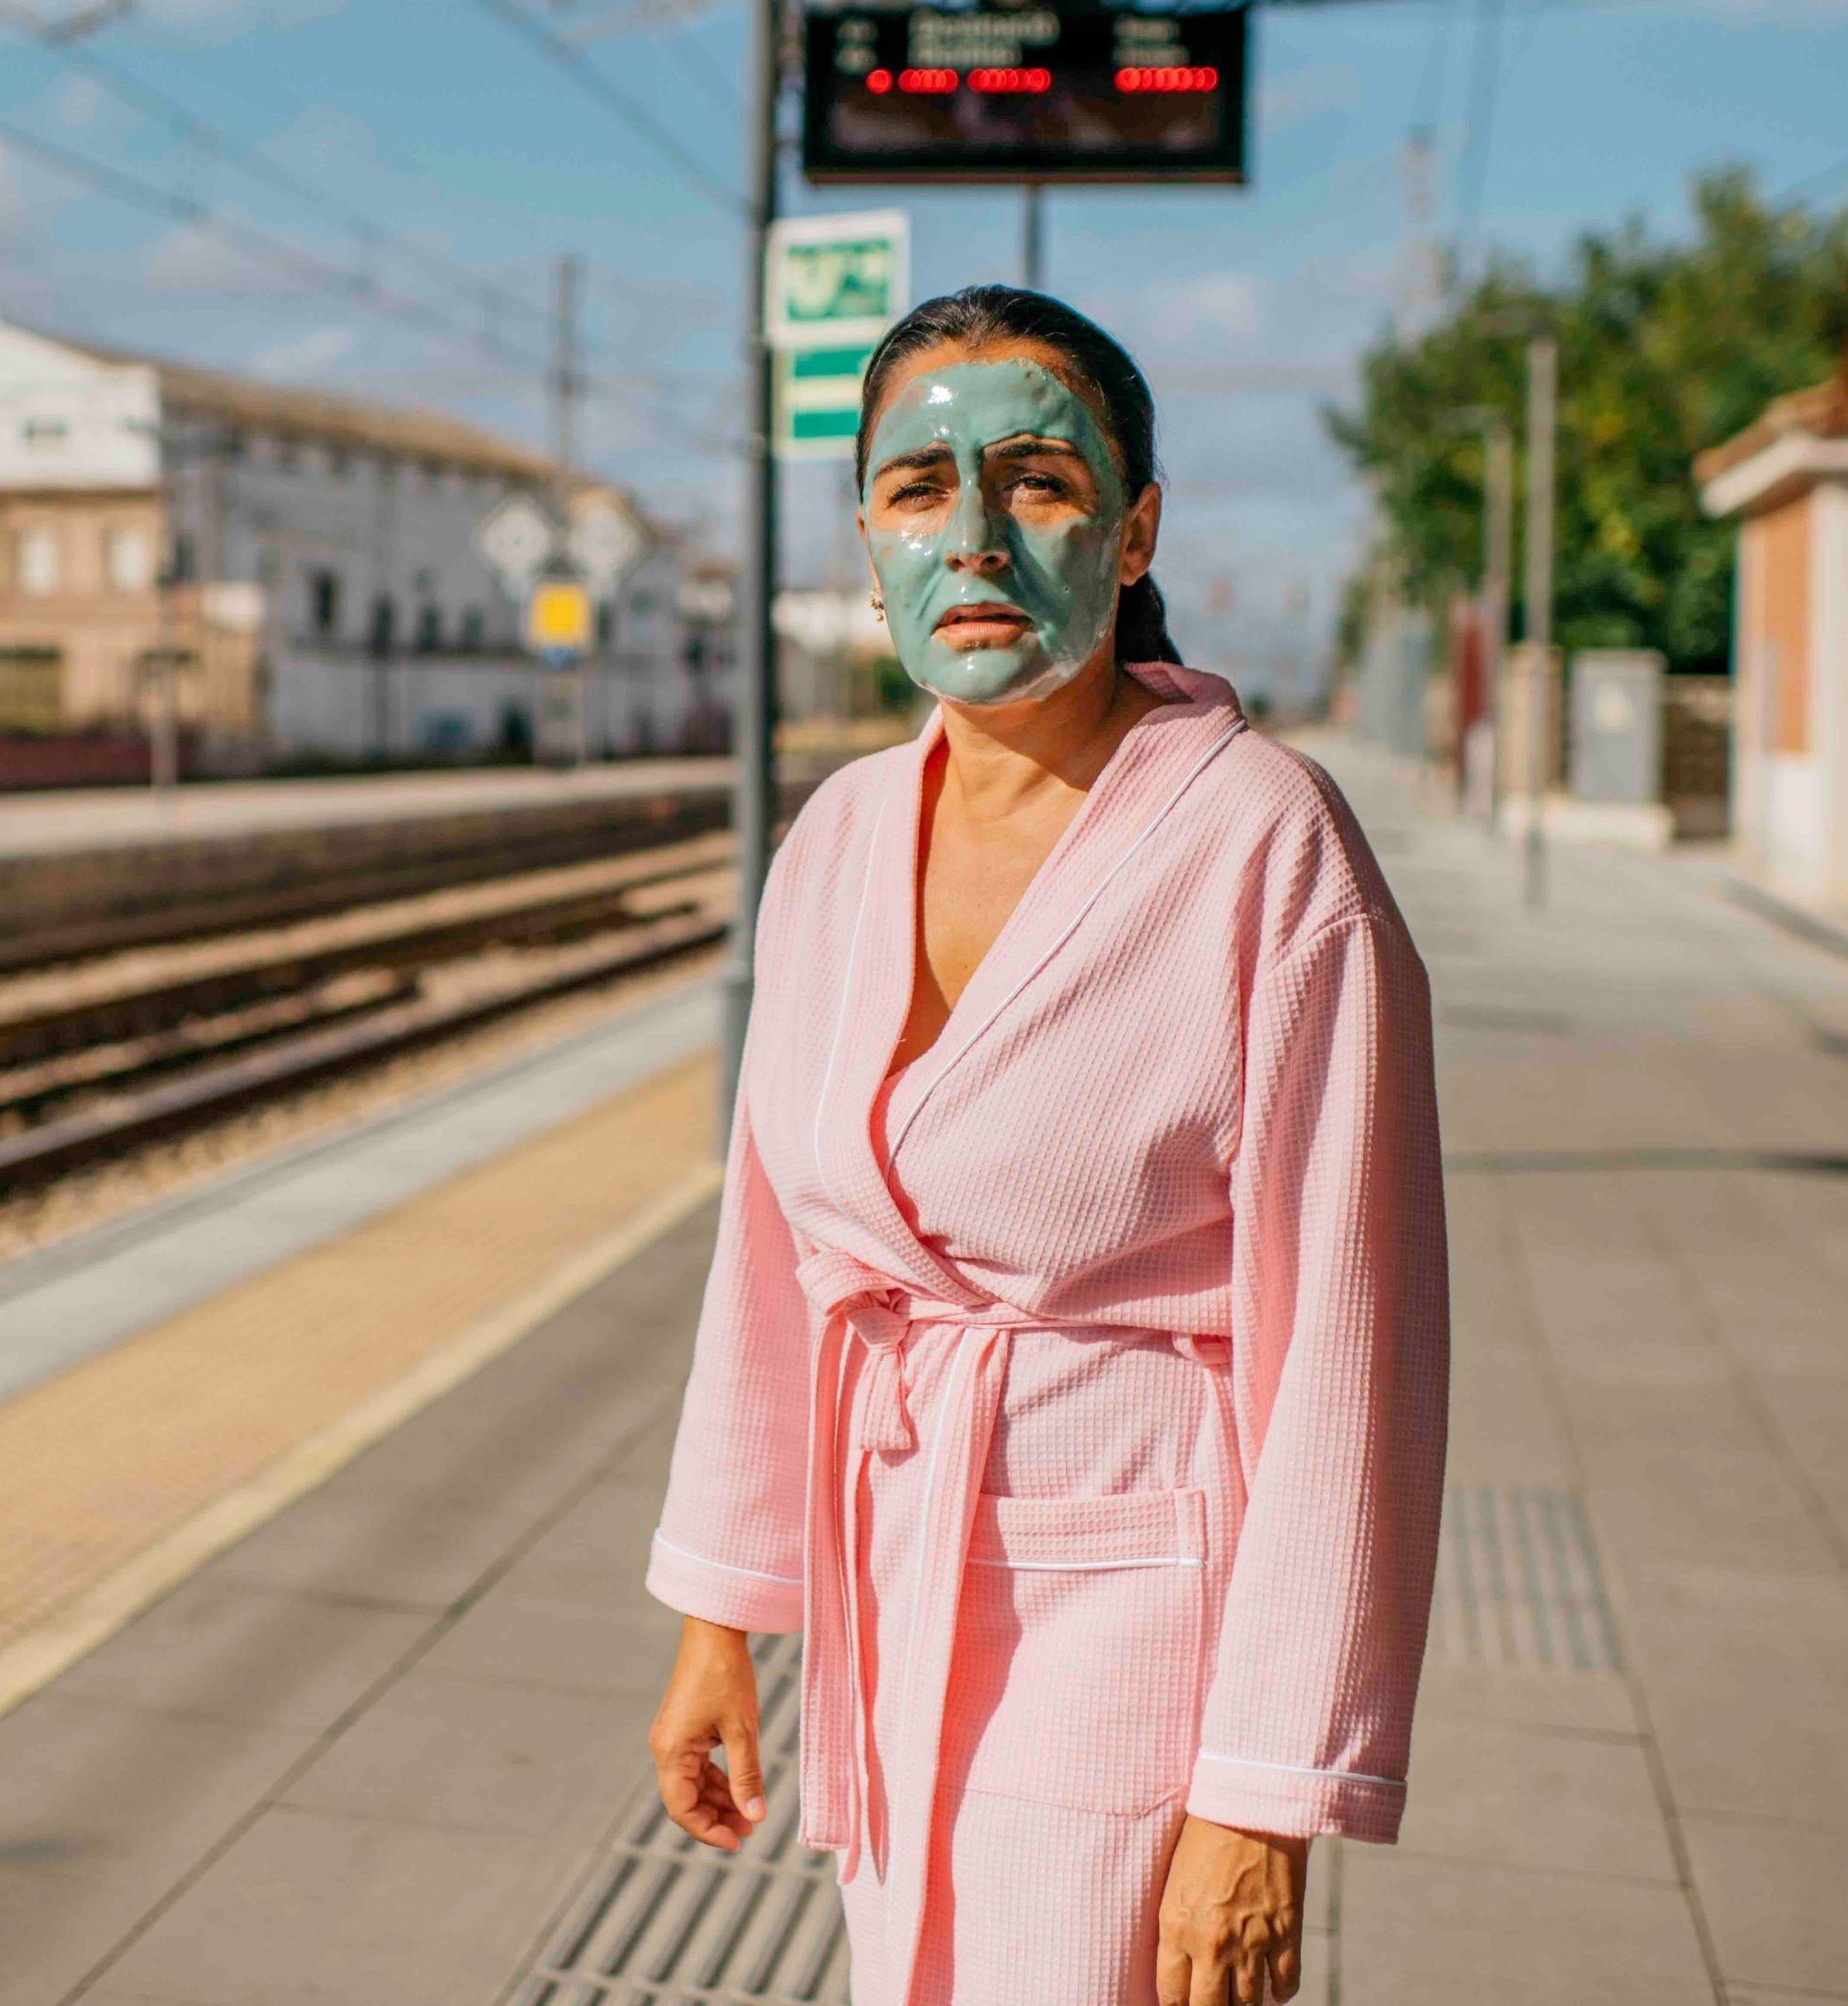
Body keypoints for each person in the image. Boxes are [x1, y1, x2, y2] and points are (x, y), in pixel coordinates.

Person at [641, 286, 1450, 2006]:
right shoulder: (840, 835)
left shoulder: (1265, 844)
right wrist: (725, 1614)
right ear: (867, 533)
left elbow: (1354, 1356)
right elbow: (775, 1253)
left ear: (1136, 522)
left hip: (1141, 1613)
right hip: (893, 1594)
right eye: (918, 489)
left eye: (1039, 481)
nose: (976, 536)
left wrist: (1263, 1798)